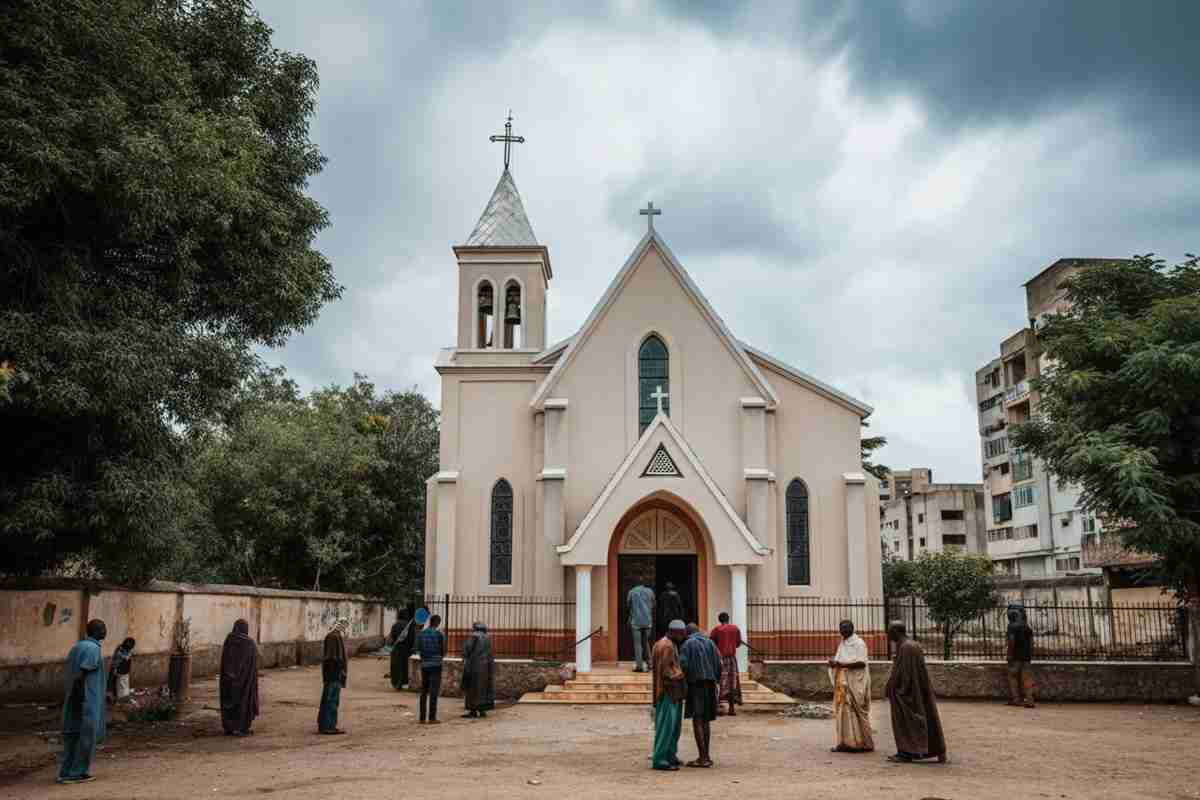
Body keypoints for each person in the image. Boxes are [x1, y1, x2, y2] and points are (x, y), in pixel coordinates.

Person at [885, 621, 946, 764]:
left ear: (896, 631)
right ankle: (927, 750)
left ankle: (906, 752)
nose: (888, 635)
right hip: (917, 691)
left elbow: (906, 675)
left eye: (890, 631)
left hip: (908, 693)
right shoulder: (910, 645)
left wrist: (897, 690)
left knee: (907, 722)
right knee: (926, 718)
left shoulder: (907, 648)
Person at [58, 619, 107, 784]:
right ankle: (77, 773)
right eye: (102, 628)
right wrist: (81, 699)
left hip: (74, 699)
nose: (105, 631)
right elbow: (82, 674)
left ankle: (65, 771)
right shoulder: (93, 649)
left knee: (73, 736)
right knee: (86, 737)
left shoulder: (77, 647)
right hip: (86, 701)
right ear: (96, 631)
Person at [679, 622, 721, 768]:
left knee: (697, 718)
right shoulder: (710, 643)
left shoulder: (687, 644)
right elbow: (719, 664)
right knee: (706, 720)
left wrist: (682, 684)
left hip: (695, 685)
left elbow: (683, 665)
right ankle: (706, 756)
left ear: (687, 633)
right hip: (710, 684)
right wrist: (716, 681)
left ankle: (702, 758)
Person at [827, 619, 873, 753]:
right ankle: (845, 742)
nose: (843, 630)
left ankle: (862, 743)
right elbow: (840, 660)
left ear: (852, 629)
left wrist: (840, 664)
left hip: (856, 682)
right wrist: (834, 664)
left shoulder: (859, 643)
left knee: (856, 711)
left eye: (846, 628)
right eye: (841, 628)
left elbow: (861, 663)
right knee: (843, 712)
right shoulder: (842, 644)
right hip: (843, 683)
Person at [650, 620, 688, 771]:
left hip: (669, 692)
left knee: (673, 727)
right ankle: (660, 759)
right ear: (675, 632)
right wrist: (682, 673)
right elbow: (667, 672)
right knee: (666, 728)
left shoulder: (663, 643)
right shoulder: (667, 646)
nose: (683, 636)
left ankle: (670, 755)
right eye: (682, 633)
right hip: (667, 692)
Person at [219, 619, 259, 736]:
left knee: (229, 700)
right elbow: (252, 664)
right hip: (244, 681)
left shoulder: (229, 640)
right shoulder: (249, 643)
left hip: (227, 680)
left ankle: (229, 727)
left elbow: (225, 661)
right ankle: (241, 727)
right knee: (243, 701)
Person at [318, 618, 349, 735]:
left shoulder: (336, 636)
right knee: (331, 700)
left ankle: (328, 725)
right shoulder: (333, 637)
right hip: (333, 675)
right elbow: (332, 658)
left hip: (334, 675)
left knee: (331, 700)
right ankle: (328, 726)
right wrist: (338, 673)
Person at [709, 612, 743, 716]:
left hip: (720, 659)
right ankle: (731, 709)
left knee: (719, 682)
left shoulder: (716, 630)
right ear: (728, 619)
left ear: (719, 620)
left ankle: (718, 707)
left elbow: (712, 643)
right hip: (732, 659)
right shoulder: (735, 629)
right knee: (732, 683)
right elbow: (738, 644)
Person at [461, 622, 496, 718]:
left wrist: (464, 656)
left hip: (474, 666)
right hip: (486, 666)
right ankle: (482, 710)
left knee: (473, 688)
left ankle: (473, 711)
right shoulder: (487, 637)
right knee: (483, 688)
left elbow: (467, 649)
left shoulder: (474, 636)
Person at [417, 614, 446, 724]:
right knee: (433, 691)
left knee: (424, 691)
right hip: (436, 664)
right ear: (438, 622)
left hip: (425, 664)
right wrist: (439, 657)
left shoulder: (421, 634)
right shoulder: (440, 634)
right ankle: (432, 717)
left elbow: (418, 648)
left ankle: (422, 717)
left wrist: (424, 658)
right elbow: (443, 650)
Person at [1005, 604, 1036, 708]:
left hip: (1015, 657)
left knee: (1012, 677)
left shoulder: (1012, 627)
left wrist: (1009, 654)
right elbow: (1032, 644)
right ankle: (1030, 701)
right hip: (1026, 657)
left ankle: (1016, 699)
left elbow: (1011, 641)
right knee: (1026, 678)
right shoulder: (1028, 627)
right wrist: (1030, 654)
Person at [627, 576, 655, 673]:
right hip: (647, 621)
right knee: (646, 642)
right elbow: (653, 604)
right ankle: (650, 664)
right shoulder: (650, 591)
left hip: (636, 621)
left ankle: (639, 666)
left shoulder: (632, 592)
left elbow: (628, 605)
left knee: (637, 644)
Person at [388, 609, 416, 691]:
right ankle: (404, 682)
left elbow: (392, 638)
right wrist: (410, 648)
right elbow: (412, 638)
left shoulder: (395, 625)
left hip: (396, 648)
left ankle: (397, 683)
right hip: (406, 649)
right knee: (404, 666)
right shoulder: (409, 625)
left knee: (396, 666)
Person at [107, 637, 136, 703]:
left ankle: (121, 698)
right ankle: (116, 699)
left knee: (123, 685)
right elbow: (116, 662)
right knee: (117, 685)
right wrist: (115, 670)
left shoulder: (128, 651)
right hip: (117, 670)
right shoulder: (120, 650)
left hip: (124, 671)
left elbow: (128, 659)